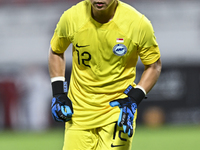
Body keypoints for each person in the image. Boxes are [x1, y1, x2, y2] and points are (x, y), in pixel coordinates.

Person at [48, 0, 162, 150]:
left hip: (117, 112)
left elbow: (154, 65)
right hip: (79, 113)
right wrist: (58, 93)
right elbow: (56, 50)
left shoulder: (138, 23)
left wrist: (134, 98)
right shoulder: (71, 18)